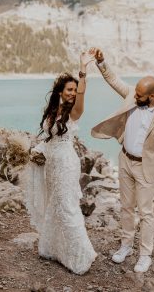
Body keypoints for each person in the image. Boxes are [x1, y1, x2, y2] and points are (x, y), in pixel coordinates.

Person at [91, 48, 154, 273]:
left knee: (146, 213)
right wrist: (102, 62)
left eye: (140, 96)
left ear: (152, 96)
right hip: (125, 161)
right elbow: (113, 80)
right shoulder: (133, 94)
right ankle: (126, 246)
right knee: (126, 207)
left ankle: (145, 254)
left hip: (145, 168)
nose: (135, 97)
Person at [25, 51, 97, 275]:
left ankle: (80, 255)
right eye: (69, 89)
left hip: (66, 164)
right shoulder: (53, 111)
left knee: (67, 207)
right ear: (59, 91)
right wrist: (37, 150)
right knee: (54, 205)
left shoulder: (75, 111)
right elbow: (49, 140)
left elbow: (82, 93)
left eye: (75, 90)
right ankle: (55, 249)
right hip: (51, 165)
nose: (73, 93)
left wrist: (83, 70)